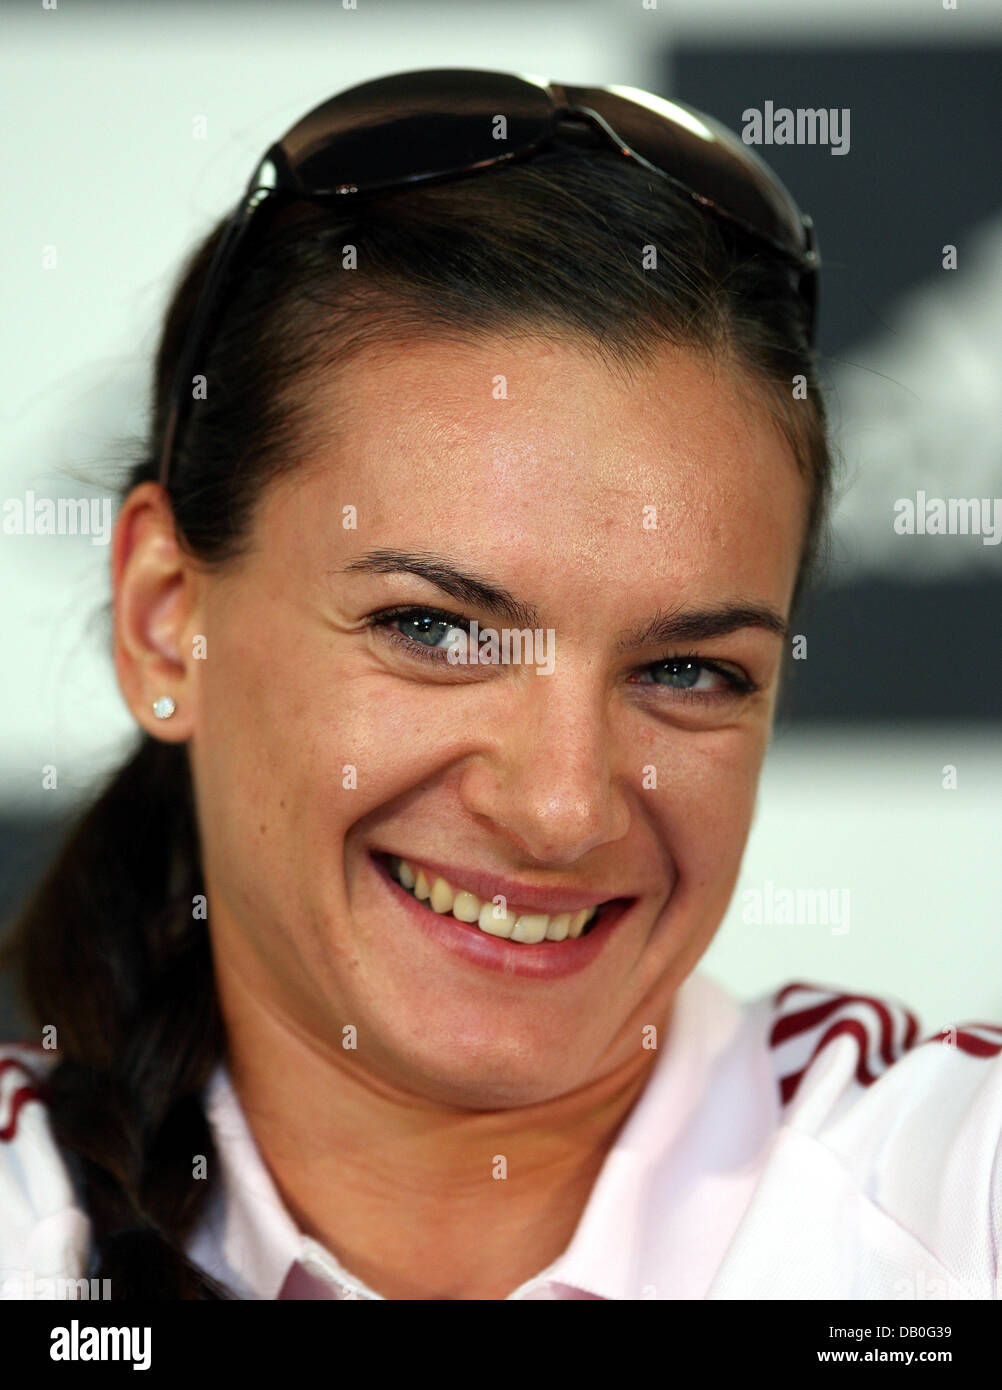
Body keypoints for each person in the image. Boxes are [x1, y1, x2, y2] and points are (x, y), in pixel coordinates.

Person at [1, 68, 999, 1302]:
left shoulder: (957, 1189)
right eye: (436, 628)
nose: (563, 807)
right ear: (166, 622)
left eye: (687, 669)